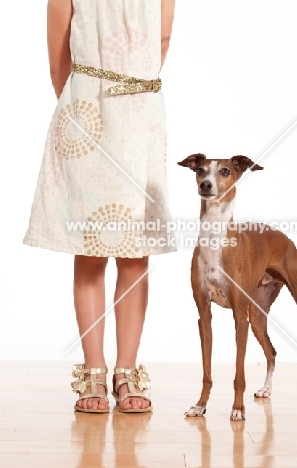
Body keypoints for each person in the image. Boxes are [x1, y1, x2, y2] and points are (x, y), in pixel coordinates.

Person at [23, 0, 176, 413]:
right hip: (86, 115)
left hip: (141, 117)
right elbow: (59, 62)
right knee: (90, 248)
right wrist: (84, 103)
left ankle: (126, 370)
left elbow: (160, 46)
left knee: (135, 252)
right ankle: (93, 370)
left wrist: (128, 92)